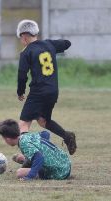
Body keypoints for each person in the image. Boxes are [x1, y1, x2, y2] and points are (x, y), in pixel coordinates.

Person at [16, 19, 77, 155]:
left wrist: (20, 92)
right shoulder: (49, 44)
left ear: (24, 36)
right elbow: (67, 43)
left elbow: (22, 75)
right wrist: (55, 45)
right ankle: (67, 136)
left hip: (38, 92)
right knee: (43, 121)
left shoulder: (26, 52)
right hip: (53, 91)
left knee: (23, 125)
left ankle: (31, 158)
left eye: (20, 37)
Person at [0, 119, 71, 180]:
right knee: (22, 157)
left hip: (59, 172)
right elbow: (45, 134)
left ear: (7, 138)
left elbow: (39, 158)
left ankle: (34, 167)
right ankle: (27, 161)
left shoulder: (24, 144)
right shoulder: (25, 136)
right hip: (65, 163)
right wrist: (46, 151)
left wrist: (30, 176)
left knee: (20, 173)